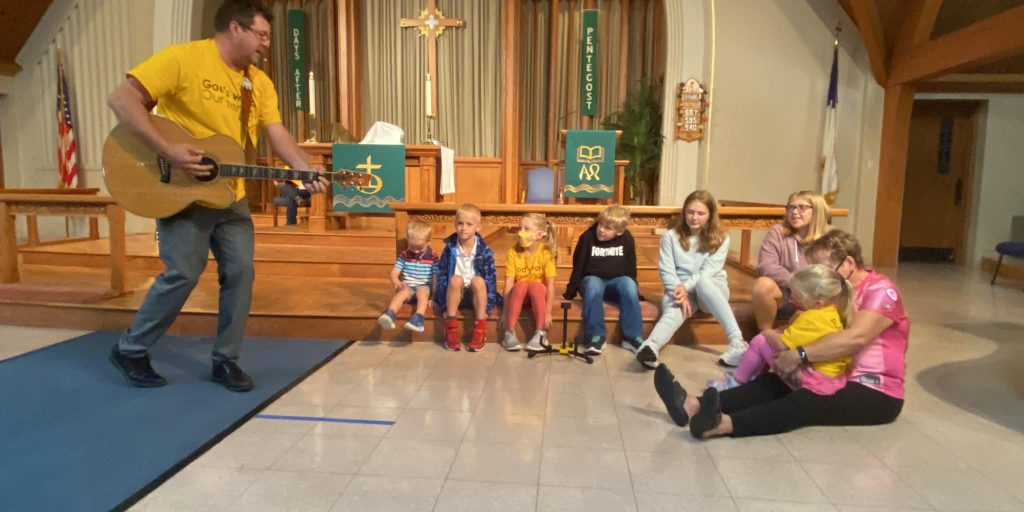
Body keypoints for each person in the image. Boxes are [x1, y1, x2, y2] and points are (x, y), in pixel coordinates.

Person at [105, 0, 329, 391]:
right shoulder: (183, 59)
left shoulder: (257, 83)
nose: (265, 44)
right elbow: (121, 99)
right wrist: (168, 150)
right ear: (235, 29)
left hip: (230, 195)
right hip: (182, 190)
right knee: (183, 274)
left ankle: (226, 359)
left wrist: (304, 166)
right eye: (261, 35)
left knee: (241, 273)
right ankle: (131, 348)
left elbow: (276, 133)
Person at [654, 230, 909, 439]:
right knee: (774, 382)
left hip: (875, 390)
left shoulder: (882, 290)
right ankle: (693, 406)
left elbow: (855, 338)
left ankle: (723, 424)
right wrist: (789, 354)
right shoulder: (830, 296)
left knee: (807, 402)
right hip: (830, 371)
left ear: (849, 263)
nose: (817, 274)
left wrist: (799, 355)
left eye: (822, 267)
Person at [635, 190, 747, 369]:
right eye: (690, 212)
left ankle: (738, 343)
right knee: (674, 307)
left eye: (701, 213)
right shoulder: (670, 237)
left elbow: (708, 271)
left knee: (703, 282)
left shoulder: (722, 238)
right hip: (679, 287)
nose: (694, 217)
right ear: (684, 212)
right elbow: (666, 271)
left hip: (711, 290)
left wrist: (685, 287)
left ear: (710, 215)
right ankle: (651, 346)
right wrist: (678, 290)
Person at [721, 264, 853, 396]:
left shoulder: (811, 318)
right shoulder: (832, 313)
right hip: (832, 379)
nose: (791, 298)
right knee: (773, 337)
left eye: (797, 296)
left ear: (817, 302)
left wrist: (766, 331)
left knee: (761, 341)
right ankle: (754, 378)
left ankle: (735, 383)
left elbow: (781, 345)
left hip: (815, 382)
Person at [562, 205, 643, 355]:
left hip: (615, 284)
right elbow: (578, 266)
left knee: (628, 283)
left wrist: (634, 291)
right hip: (592, 281)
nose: (601, 230)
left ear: (619, 231)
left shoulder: (627, 239)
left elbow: (631, 267)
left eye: (608, 228)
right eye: (601, 224)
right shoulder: (587, 237)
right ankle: (596, 336)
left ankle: (632, 337)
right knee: (593, 284)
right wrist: (570, 292)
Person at [752, 191, 832, 332]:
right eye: (791, 207)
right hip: (788, 295)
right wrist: (795, 282)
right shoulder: (777, 232)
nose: (794, 212)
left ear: (817, 210)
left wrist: (810, 290)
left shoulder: (831, 236)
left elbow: (835, 273)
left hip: (818, 298)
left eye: (801, 207)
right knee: (762, 285)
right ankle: (765, 334)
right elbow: (766, 266)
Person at [434, 204, 501, 352]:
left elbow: (490, 280)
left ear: (477, 227)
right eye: (460, 223)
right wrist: (442, 306)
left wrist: (487, 308)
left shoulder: (485, 250)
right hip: (455, 293)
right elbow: (442, 275)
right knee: (455, 279)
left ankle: (480, 329)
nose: (463, 228)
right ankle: (451, 328)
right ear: (455, 224)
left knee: (478, 280)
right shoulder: (450, 248)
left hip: (476, 295)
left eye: (469, 224)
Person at [501, 213, 558, 352]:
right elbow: (508, 284)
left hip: (538, 295)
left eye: (527, 229)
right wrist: (504, 312)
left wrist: (548, 312)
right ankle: (509, 333)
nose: (521, 232)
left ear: (539, 235)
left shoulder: (546, 253)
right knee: (521, 285)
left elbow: (550, 285)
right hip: (519, 295)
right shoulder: (513, 252)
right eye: (521, 228)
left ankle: (540, 333)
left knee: (534, 285)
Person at [378, 220, 437, 333]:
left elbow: (435, 277)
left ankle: (417, 319)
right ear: (408, 241)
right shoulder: (404, 255)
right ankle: (389, 315)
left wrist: (434, 296)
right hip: (408, 287)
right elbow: (394, 272)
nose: (415, 251)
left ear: (428, 241)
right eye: (412, 246)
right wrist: (396, 280)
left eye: (419, 248)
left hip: (424, 286)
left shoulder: (433, 257)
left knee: (422, 291)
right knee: (402, 293)